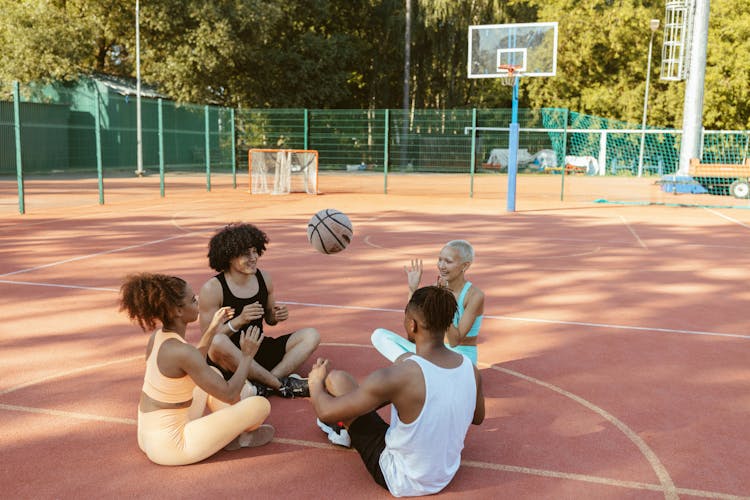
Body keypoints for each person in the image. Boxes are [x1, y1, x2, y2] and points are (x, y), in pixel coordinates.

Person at [309, 286, 485, 497]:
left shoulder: (399, 377)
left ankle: (342, 429)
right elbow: (477, 418)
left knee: (335, 380)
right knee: (346, 383)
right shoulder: (469, 368)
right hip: (445, 473)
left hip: (401, 477)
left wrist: (315, 383)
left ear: (412, 325)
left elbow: (325, 411)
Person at [119, 273, 274, 466]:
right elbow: (231, 394)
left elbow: (193, 362)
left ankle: (231, 433)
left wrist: (212, 329)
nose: (197, 302)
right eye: (193, 300)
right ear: (177, 311)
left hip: (147, 435)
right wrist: (247, 356)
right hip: (172, 446)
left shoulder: (159, 337)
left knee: (213, 374)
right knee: (259, 405)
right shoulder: (182, 352)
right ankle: (238, 435)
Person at [199, 223, 320, 398]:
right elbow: (207, 340)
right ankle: (281, 385)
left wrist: (276, 315)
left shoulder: (264, 278)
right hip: (229, 357)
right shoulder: (213, 288)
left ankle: (264, 386)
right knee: (218, 342)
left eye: (255, 251)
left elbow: (270, 319)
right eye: (246, 254)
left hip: (257, 347)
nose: (253, 257)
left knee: (311, 335)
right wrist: (239, 321)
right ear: (229, 257)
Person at [371, 240, 484, 365]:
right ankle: (418, 368)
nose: (441, 266)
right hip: (434, 352)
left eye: (448, 261)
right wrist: (412, 290)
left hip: (461, 358)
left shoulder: (474, 296)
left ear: (465, 266)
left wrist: (443, 301)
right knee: (379, 335)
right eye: (440, 260)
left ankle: (419, 369)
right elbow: (414, 329)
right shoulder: (435, 289)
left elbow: (454, 341)